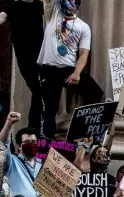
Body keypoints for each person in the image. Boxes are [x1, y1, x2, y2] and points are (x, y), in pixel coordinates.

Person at [37, 0, 103, 138]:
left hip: (69, 69)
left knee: (95, 92)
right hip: (50, 68)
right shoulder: (53, 13)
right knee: (50, 109)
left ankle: (84, 132)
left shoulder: (83, 27)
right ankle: (48, 141)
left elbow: (84, 54)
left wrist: (77, 73)